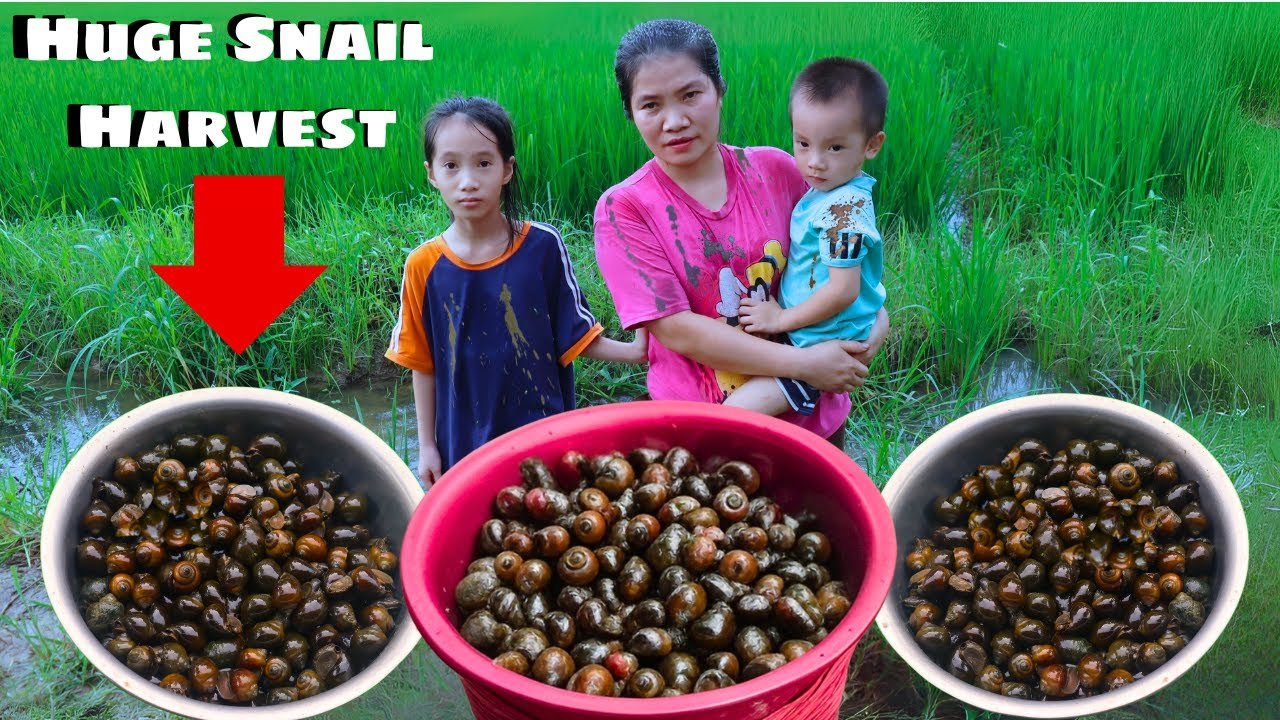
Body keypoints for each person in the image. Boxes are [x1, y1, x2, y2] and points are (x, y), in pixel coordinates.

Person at [592, 19, 888, 447]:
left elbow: (841, 251)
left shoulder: (777, 170)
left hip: (813, 419)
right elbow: (676, 330)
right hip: (709, 429)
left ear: (719, 90)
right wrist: (804, 365)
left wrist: (876, 320)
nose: (674, 121)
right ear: (631, 113)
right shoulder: (625, 210)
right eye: (650, 105)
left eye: (691, 95)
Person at [387, 96, 646, 487]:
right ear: (432, 174)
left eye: (484, 163)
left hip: (542, 431)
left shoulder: (541, 246)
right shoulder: (423, 265)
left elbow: (573, 335)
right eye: (451, 165)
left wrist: (636, 353)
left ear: (507, 169)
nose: (468, 180)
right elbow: (422, 364)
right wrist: (427, 445)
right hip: (463, 442)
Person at [724, 57, 889, 417]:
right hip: (809, 335)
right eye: (802, 143)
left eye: (834, 148)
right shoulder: (828, 192)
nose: (815, 161)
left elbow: (844, 289)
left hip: (821, 346)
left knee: (732, 415)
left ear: (871, 145)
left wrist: (779, 320)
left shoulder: (843, 212)